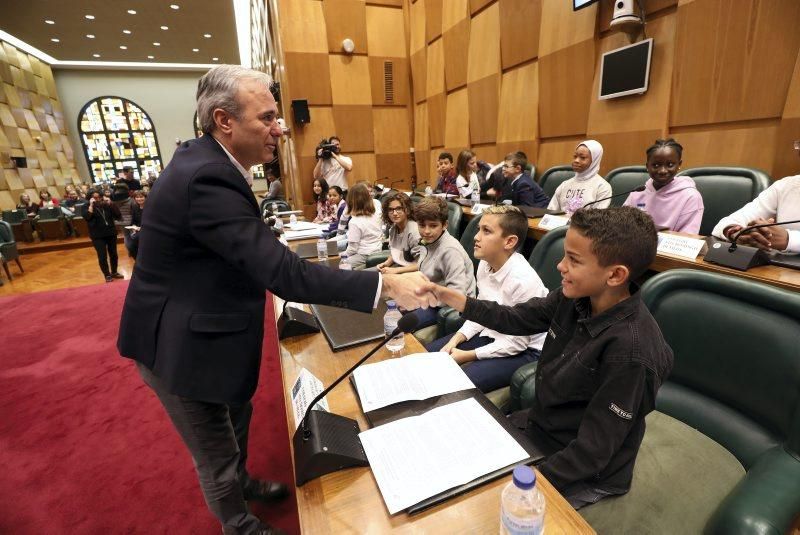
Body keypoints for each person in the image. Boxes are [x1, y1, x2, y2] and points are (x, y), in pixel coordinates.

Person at [116, 65, 433, 535]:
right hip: (178, 345)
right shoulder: (206, 176)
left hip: (210, 329)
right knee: (216, 453)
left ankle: (242, 482)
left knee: (236, 417)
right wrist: (383, 286)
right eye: (266, 118)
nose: (279, 129)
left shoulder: (212, 163)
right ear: (225, 120)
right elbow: (281, 273)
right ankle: (238, 523)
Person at [416, 206, 673, 509]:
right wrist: (455, 298)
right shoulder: (574, 296)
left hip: (583, 469)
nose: (560, 266)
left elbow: (593, 451)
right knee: (453, 457)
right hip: (544, 427)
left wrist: (522, 483)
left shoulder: (631, 353)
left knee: (487, 505)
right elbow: (517, 317)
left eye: (573, 260)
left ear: (615, 275)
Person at [426, 205, 548, 392]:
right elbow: (482, 314)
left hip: (526, 349)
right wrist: (455, 340)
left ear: (509, 242)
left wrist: (468, 355)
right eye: (478, 229)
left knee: (456, 383)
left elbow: (517, 342)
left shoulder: (523, 281)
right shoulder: (484, 263)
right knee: (429, 356)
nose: (476, 237)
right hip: (494, 334)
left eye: (486, 231)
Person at [712, 139, 800, 252]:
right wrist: (738, 233)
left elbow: (786, 240)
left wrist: (790, 240)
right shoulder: (786, 186)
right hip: (779, 268)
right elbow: (727, 222)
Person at [410, 197, 476, 328]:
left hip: (447, 306)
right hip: (431, 296)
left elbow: (457, 294)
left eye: (433, 225)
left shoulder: (450, 251)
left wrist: (424, 298)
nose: (426, 231)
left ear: (445, 225)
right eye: (422, 225)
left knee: (399, 323)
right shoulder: (428, 240)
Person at [623, 138, 704, 234]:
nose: (663, 171)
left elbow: (688, 237)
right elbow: (623, 227)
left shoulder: (690, 197)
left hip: (670, 248)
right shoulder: (638, 193)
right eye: (656, 165)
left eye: (670, 165)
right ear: (647, 166)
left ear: (679, 164)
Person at [548, 140, 612, 214]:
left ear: (594, 160)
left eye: (582, 157)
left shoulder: (602, 187)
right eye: (575, 156)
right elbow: (550, 212)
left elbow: (597, 220)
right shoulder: (564, 185)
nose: (576, 160)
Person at [376, 192, 421, 274]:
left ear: (407, 209)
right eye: (390, 210)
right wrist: (386, 263)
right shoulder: (393, 229)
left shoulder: (414, 231)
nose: (394, 213)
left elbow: (422, 264)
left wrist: (396, 270)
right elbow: (397, 253)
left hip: (412, 274)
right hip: (398, 268)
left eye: (399, 208)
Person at [84, 188, 123, 282]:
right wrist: (91, 206)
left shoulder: (106, 204)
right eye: (94, 198)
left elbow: (118, 216)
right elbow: (87, 218)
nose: (97, 199)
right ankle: (107, 274)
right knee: (102, 256)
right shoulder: (85, 206)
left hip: (110, 233)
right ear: (90, 198)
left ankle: (114, 272)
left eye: (99, 197)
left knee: (113, 254)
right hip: (97, 235)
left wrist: (112, 204)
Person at [344, 184, 383, 269]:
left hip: (363, 255)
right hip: (378, 251)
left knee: (341, 263)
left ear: (351, 201)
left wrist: (341, 255)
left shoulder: (354, 222)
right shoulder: (376, 215)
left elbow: (352, 249)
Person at [126, 190, 146, 259]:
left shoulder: (150, 207)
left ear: (146, 197)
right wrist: (133, 227)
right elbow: (133, 221)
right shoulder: (135, 207)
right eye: (137, 197)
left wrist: (141, 228)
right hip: (137, 230)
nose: (139, 199)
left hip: (148, 231)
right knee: (130, 246)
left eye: (141, 197)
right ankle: (138, 261)